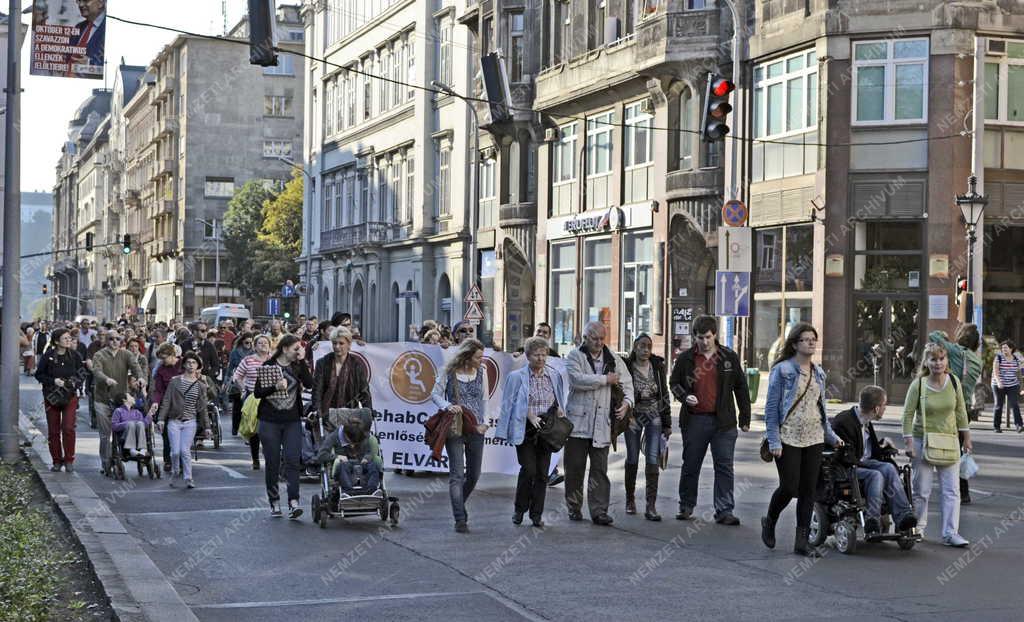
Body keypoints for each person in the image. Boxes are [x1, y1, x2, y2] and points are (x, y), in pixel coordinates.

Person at [761, 322, 842, 557]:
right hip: (788, 437)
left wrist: (832, 437)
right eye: (806, 339)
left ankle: (802, 541)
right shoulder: (783, 370)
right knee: (789, 487)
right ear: (795, 344)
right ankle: (770, 520)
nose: (811, 342)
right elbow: (771, 408)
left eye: (813, 339)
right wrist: (774, 440)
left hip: (814, 437)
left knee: (808, 490)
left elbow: (821, 409)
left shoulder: (819, 373)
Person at [669, 316, 751, 525]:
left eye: (707, 337)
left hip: (723, 422)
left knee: (724, 466)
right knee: (691, 464)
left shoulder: (728, 358)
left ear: (715, 335)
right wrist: (684, 396)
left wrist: (745, 417)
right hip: (696, 420)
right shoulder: (686, 358)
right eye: (699, 337)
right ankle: (686, 506)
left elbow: (741, 387)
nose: (704, 342)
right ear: (694, 336)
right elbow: (674, 383)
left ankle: (724, 510)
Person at [563, 321, 633, 526]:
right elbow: (577, 380)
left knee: (600, 471)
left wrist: (627, 403)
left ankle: (599, 511)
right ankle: (574, 507)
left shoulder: (613, 358)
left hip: (602, 424)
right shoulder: (575, 356)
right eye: (595, 339)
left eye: (603, 338)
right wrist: (605, 380)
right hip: (577, 424)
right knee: (575, 469)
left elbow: (627, 384)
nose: (599, 343)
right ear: (585, 338)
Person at [903, 342, 972, 547]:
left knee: (952, 490)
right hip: (922, 440)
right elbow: (907, 414)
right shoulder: (919, 384)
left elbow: (960, 411)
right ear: (926, 362)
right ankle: (919, 529)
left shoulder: (954, 382)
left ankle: (951, 533)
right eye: (933, 359)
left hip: (949, 441)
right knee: (921, 490)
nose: (938, 363)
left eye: (941, 358)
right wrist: (909, 443)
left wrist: (966, 437)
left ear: (947, 361)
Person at [496, 336, 569, 528]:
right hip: (526, 428)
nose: (541, 358)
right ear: (528, 356)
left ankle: (536, 514)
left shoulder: (553, 375)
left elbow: (559, 397)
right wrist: (528, 416)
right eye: (536, 355)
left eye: (544, 355)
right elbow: (508, 405)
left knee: (542, 474)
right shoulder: (517, 377)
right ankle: (520, 509)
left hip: (546, 429)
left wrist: (559, 408)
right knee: (529, 470)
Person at [831, 386, 917, 535]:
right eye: (885, 405)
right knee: (876, 475)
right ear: (876, 409)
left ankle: (903, 515)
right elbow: (846, 455)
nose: (885, 408)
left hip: (863, 462)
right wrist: (870, 465)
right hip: (847, 467)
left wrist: (882, 444)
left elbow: (866, 449)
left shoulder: (865, 420)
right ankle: (872, 520)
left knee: (889, 468)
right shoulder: (844, 421)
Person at [431, 338, 491, 533]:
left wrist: (485, 423)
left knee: (474, 474)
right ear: (467, 356)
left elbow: (485, 399)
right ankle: (459, 518)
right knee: (457, 474)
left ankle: (459, 503)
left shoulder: (481, 372)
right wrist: (448, 406)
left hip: (476, 427)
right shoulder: (448, 371)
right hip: (455, 426)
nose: (481, 361)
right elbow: (435, 394)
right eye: (478, 357)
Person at [254, 335, 314, 519]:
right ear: (285, 349)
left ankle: (293, 501)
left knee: (293, 460)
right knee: (272, 462)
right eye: (296, 349)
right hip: (269, 420)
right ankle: (274, 501)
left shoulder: (297, 366)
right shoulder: (268, 366)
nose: (298, 351)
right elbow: (257, 393)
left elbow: (310, 384)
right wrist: (275, 387)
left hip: (292, 420)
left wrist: (302, 361)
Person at [929, 324, 982, 504]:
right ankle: (963, 491)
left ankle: (949, 489)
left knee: (943, 448)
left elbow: (933, 335)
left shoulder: (955, 351)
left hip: (948, 406)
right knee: (958, 449)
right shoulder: (977, 361)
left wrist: (944, 335)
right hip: (965, 409)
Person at [623, 333, 672, 521]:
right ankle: (630, 500)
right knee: (633, 457)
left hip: (654, 417)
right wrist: (626, 416)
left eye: (649, 346)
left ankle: (651, 505)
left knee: (652, 457)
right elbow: (620, 393)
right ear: (635, 347)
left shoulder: (657, 366)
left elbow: (664, 395)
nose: (645, 350)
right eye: (642, 346)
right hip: (633, 418)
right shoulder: (627, 366)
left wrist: (667, 423)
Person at [91, 333, 144, 475]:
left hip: (121, 401)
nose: (114, 341)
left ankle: (125, 452)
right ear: (106, 340)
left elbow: (136, 367)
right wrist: (106, 379)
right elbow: (96, 371)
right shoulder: (99, 355)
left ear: (122, 341)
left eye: (118, 339)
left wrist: (140, 378)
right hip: (103, 399)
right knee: (105, 434)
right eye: (111, 338)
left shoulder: (126, 354)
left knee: (123, 428)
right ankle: (106, 462)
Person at [157, 353, 211, 489]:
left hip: (190, 422)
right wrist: (161, 419)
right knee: (175, 452)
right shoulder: (175, 381)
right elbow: (167, 400)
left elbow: (203, 408)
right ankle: (175, 471)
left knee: (185, 451)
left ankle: (188, 478)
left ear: (198, 366)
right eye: (188, 362)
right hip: (174, 421)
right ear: (184, 365)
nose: (191, 365)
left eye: (194, 363)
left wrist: (207, 427)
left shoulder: (201, 386)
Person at [34, 328, 85, 472]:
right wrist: (53, 381)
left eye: (70, 338)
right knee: (53, 431)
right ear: (57, 341)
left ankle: (69, 459)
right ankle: (56, 460)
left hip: (70, 396)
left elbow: (82, 373)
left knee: (68, 428)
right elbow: (39, 375)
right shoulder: (48, 356)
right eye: (65, 338)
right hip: (52, 397)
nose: (69, 340)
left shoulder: (75, 355)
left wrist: (74, 382)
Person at [312, 327, 372, 422]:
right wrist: (317, 411)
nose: (337, 347)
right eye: (334, 343)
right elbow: (317, 391)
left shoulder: (356, 365)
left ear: (349, 344)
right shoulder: (322, 363)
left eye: (341, 343)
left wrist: (368, 414)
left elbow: (364, 392)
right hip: (326, 415)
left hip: (351, 415)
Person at [233, 334, 273, 470]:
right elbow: (237, 376)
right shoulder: (248, 360)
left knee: (268, 430)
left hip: (270, 398)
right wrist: (243, 389)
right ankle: (255, 458)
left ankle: (270, 458)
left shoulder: (273, 360)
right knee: (254, 429)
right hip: (253, 397)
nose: (263, 345)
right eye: (260, 343)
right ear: (255, 346)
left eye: (266, 343)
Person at [315, 419, 383, 496]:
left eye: (356, 443)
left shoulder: (362, 435)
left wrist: (367, 457)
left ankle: (372, 490)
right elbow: (320, 456)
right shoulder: (334, 437)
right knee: (343, 466)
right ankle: (348, 492)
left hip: (362, 464)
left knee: (374, 465)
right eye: (351, 442)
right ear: (345, 434)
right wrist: (336, 456)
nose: (352, 446)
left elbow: (370, 452)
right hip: (345, 465)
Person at [226, 332, 255, 435]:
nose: (249, 344)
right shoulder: (235, 352)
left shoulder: (255, 352)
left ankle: (249, 428)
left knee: (250, 408)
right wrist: (226, 381)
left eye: (251, 343)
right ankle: (235, 427)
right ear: (242, 341)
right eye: (247, 342)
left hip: (251, 381)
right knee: (237, 407)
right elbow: (230, 368)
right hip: (238, 381)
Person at [991, 340, 1022, 433]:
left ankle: (1019, 425)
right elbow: (995, 372)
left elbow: (1021, 372)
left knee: (1015, 404)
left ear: (1011, 349)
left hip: (1013, 384)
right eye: (1002, 348)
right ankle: (996, 426)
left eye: (1006, 348)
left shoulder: (1017, 358)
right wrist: (999, 382)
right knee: (998, 405)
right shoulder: (998, 358)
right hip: (998, 384)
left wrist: (1022, 385)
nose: (1004, 349)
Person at [111, 392, 151, 458]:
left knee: (140, 423)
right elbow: (114, 426)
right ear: (124, 400)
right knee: (131, 424)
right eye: (130, 396)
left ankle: (143, 449)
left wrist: (149, 415)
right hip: (124, 437)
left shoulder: (137, 412)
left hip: (137, 437)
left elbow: (144, 425)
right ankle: (131, 449)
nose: (133, 398)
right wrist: (127, 423)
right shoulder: (118, 411)